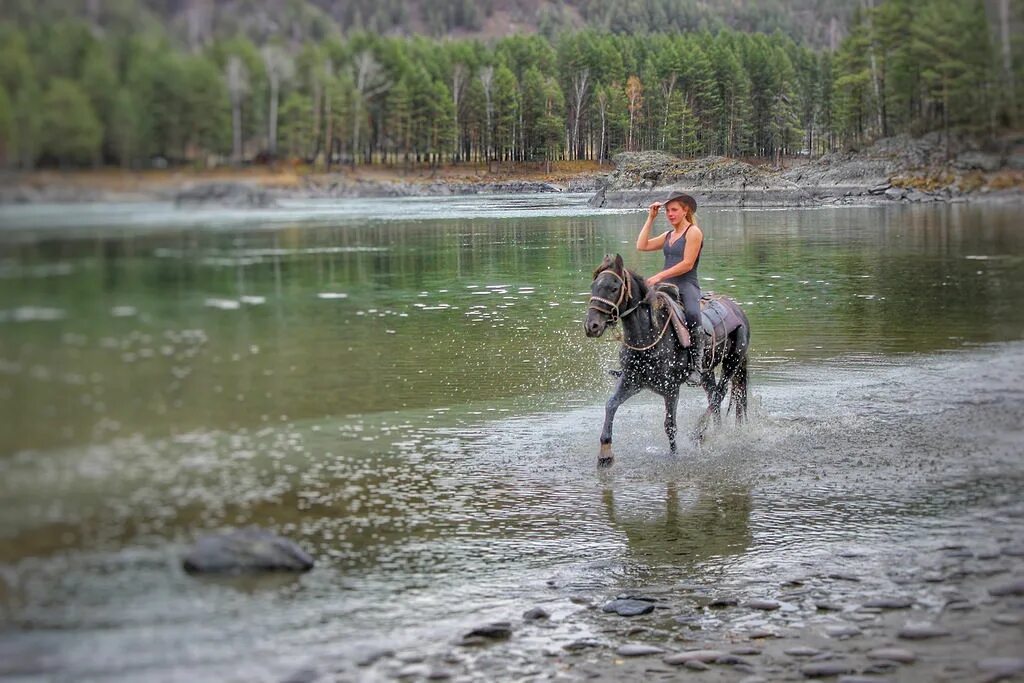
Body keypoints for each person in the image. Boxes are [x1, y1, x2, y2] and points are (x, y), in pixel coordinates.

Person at [635, 190, 704, 384]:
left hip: (686, 284)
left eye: (674, 210)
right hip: (665, 286)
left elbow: (687, 264)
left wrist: (659, 276)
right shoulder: (668, 235)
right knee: (639, 309)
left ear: (685, 210)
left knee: (692, 313)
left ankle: (697, 366)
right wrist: (650, 218)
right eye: (667, 211)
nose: (670, 214)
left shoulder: (693, 232)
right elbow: (642, 245)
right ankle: (636, 360)